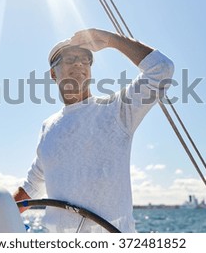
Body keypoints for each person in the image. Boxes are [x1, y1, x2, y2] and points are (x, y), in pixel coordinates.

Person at [13, 28, 174, 232]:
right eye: (70, 59)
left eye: (86, 60)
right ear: (53, 73)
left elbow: (162, 69)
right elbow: (31, 186)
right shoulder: (48, 126)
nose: (79, 63)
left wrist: (112, 40)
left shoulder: (117, 109)